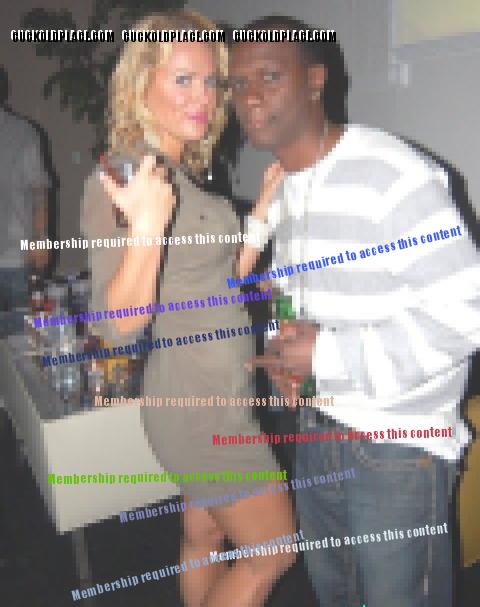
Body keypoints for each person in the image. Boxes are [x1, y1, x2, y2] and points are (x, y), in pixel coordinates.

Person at [230, 15, 479, 607]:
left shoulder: (389, 172)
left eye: (269, 76)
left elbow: (467, 311)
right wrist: (286, 355)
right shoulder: (286, 185)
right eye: (238, 83)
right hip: (317, 431)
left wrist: (327, 354)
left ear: (315, 80)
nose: (251, 96)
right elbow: (296, 295)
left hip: (397, 445)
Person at [81, 11, 296, 607]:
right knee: (272, 551)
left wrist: (264, 208)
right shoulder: (126, 174)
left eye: (210, 82)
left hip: (213, 394)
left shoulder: (179, 173)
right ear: (140, 85)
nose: (202, 97)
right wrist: (147, 226)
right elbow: (116, 326)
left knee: (204, 538)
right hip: (200, 409)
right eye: (182, 79)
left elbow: (222, 279)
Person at [0, 66, 49, 325]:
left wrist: (40, 238)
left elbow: (39, 189)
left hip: (14, 262)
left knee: (19, 337)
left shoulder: (23, 133)